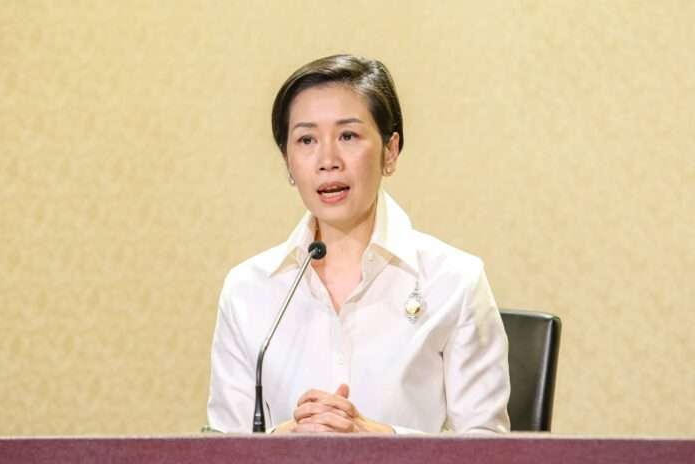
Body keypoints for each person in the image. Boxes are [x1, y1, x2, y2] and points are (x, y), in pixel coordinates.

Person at [207, 54, 510, 434]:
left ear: (390, 150)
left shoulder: (454, 281)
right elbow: (222, 448)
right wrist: (284, 440)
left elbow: (488, 448)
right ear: (287, 161)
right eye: (306, 140)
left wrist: (380, 441)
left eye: (348, 136)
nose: (327, 160)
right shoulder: (247, 290)